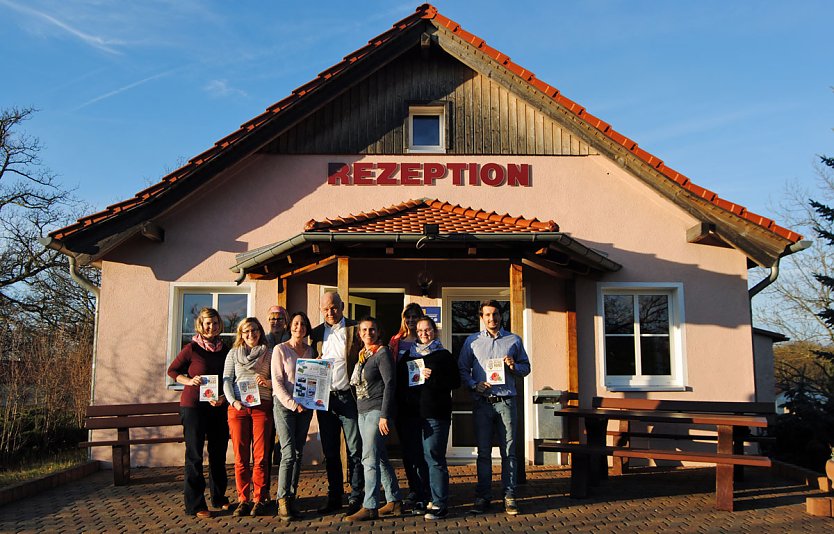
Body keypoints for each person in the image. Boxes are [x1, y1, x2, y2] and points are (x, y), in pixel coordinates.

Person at [458, 300, 531, 516]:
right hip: (483, 403)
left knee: (509, 452)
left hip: (507, 402)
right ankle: (483, 496)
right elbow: (462, 369)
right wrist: (474, 384)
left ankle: (509, 496)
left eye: (496, 314)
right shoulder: (472, 341)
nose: (492, 318)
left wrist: (513, 366)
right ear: (481, 317)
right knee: (483, 453)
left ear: (501, 316)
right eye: (488, 315)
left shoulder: (514, 340)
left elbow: (526, 368)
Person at [167, 307, 230, 519]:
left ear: (219, 324)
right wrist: (188, 380)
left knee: (218, 454)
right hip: (193, 408)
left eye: (214, 323)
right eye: (207, 323)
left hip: (217, 407)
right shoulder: (192, 349)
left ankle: (219, 498)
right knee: (194, 456)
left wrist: (224, 397)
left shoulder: (225, 349)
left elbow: (230, 377)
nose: (211, 327)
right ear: (201, 326)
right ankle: (195, 504)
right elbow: (172, 371)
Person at [310, 291, 364, 514]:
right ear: (321, 310)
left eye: (334, 307)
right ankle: (334, 497)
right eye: (325, 309)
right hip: (326, 400)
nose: (330, 312)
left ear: (342, 306)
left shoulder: (355, 329)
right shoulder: (314, 334)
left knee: (355, 450)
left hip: (349, 398)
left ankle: (356, 496)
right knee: (330, 452)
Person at [346, 317, 402, 521]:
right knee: (378, 457)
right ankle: (394, 500)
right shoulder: (364, 356)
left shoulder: (382, 353)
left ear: (379, 332)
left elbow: (390, 384)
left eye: (372, 330)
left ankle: (370, 505)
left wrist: (385, 415)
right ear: (359, 334)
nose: (368, 333)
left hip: (376, 411)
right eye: (364, 330)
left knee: (368, 458)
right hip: (362, 412)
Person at [222, 317, 273, 517]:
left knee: (260, 456)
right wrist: (233, 401)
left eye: (254, 330)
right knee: (240, 457)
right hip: (239, 408)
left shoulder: (269, 353)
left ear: (259, 331)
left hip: (262, 406)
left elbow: (277, 378)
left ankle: (259, 499)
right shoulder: (233, 354)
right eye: (246, 331)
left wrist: (267, 382)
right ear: (241, 334)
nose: (250, 334)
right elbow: (227, 380)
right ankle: (243, 499)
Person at [412, 315, 460, 520]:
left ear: (435, 331)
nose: (424, 334)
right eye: (420, 330)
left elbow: (456, 382)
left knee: (434, 456)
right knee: (422, 458)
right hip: (416, 415)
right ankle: (429, 498)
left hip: (436, 414)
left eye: (428, 330)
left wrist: (435, 377)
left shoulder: (444, 355)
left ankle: (440, 503)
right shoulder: (411, 354)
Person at [271, 311, 315, 520]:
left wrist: (310, 402)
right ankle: (282, 499)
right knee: (288, 454)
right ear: (290, 326)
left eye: (303, 324)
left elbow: (315, 379)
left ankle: (292, 496)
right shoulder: (280, 349)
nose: (300, 327)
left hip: (305, 408)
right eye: (296, 324)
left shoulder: (310, 351)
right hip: (284, 406)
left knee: (298, 453)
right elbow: (277, 382)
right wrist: (292, 403)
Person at [391, 303, 431, 512]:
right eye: (408, 316)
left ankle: (426, 489)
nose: (412, 320)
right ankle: (414, 489)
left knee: (422, 449)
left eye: (416, 316)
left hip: (422, 401)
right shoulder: (395, 342)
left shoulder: (426, 341)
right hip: (402, 401)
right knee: (407, 449)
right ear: (403, 319)